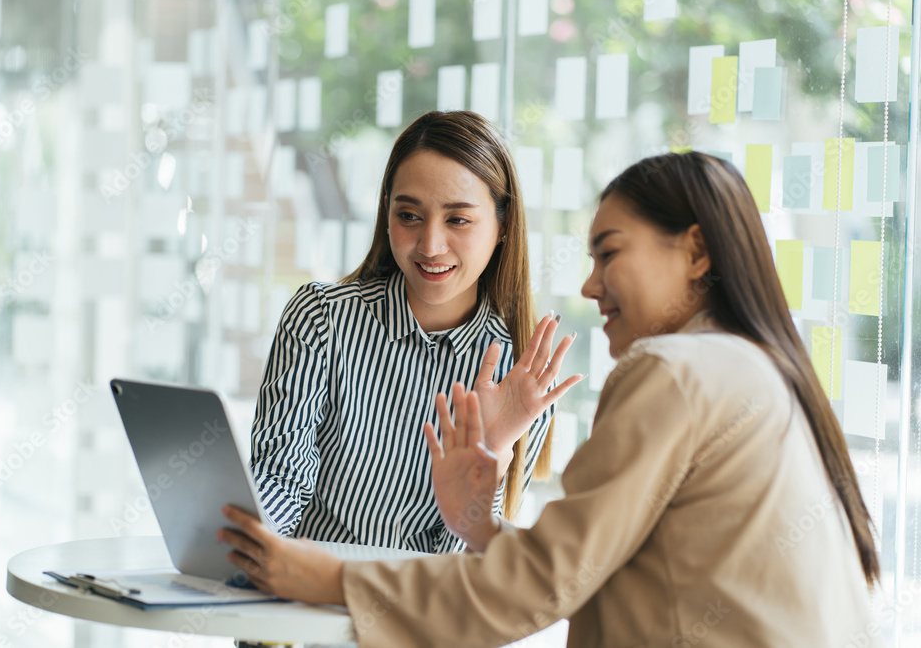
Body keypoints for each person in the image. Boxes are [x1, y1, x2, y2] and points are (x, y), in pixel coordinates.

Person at [221, 151, 880, 647]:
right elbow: (585, 563)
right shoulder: (759, 369)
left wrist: (328, 579)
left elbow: (542, 583)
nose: (590, 286)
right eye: (408, 214)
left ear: (697, 250)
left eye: (609, 253)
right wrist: (480, 523)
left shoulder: (674, 371)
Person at [250, 110, 583, 553]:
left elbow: (467, 562)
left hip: (418, 615)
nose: (430, 245)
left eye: (458, 220)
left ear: (502, 226)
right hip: (303, 601)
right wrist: (241, 542)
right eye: (409, 215)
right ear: (386, 213)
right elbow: (279, 481)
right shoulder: (321, 318)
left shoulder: (521, 376)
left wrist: (490, 453)